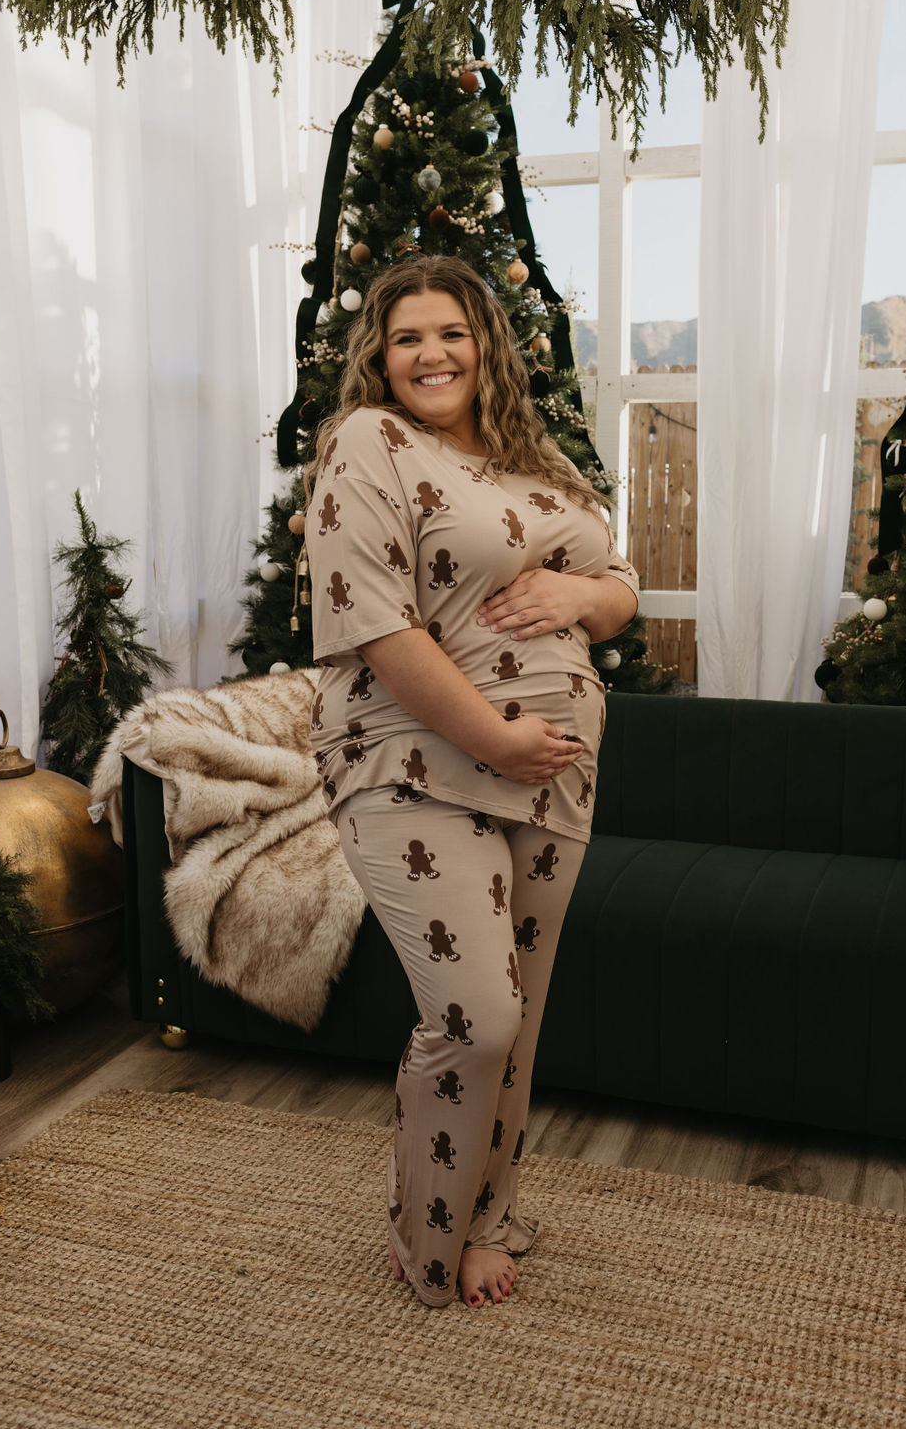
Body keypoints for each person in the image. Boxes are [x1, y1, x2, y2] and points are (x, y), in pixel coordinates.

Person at [303, 255, 639, 1309]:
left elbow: (623, 590)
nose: (429, 353)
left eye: (449, 332)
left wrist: (580, 588)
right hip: (415, 761)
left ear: (484, 343)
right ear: (380, 356)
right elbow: (376, 625)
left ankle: (484, 1211)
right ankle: (428, 1236)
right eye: (406, 337)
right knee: (477, 1015)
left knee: (520, 1018)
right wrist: (497, 739)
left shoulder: (538, 460)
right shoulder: (368, 442)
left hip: (550, 781)